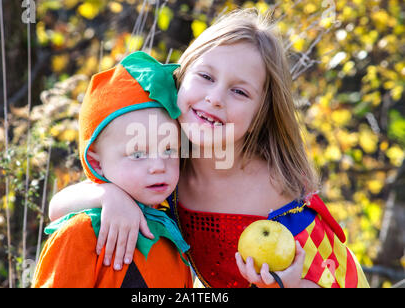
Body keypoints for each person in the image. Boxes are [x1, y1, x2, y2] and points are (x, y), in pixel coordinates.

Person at [48, 8, 369, 288]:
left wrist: (289, 284)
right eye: (205, 76)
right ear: (182, 75)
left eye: (239, 92)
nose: (215, 97)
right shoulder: (168, 160)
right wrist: (109, 195)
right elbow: (58, 207)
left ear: (262, 111)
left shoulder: (277, 191)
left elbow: (330, 278)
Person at [32, 51, 192, 288]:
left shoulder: (173, 221)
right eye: (137, 154)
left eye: (170, 150)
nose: (159, 166)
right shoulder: (82, 232)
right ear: (96, 164)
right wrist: (109, 195)